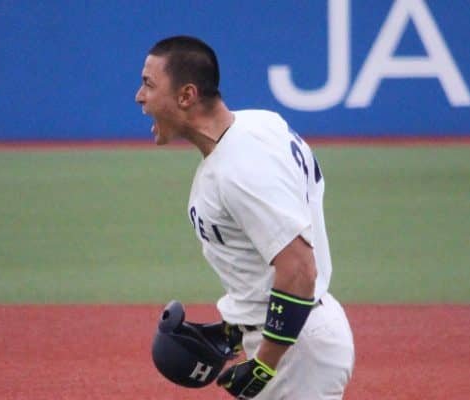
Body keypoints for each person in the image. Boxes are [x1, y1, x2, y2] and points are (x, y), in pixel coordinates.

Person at [135, 35, 355, 399]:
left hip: (293, 353)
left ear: (186, 96)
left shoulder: (240, 169)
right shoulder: (261, 125)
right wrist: (234, 328)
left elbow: (299, 268)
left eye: (149, 85)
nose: (140, 97)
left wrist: (265, 364)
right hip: (293, 336)